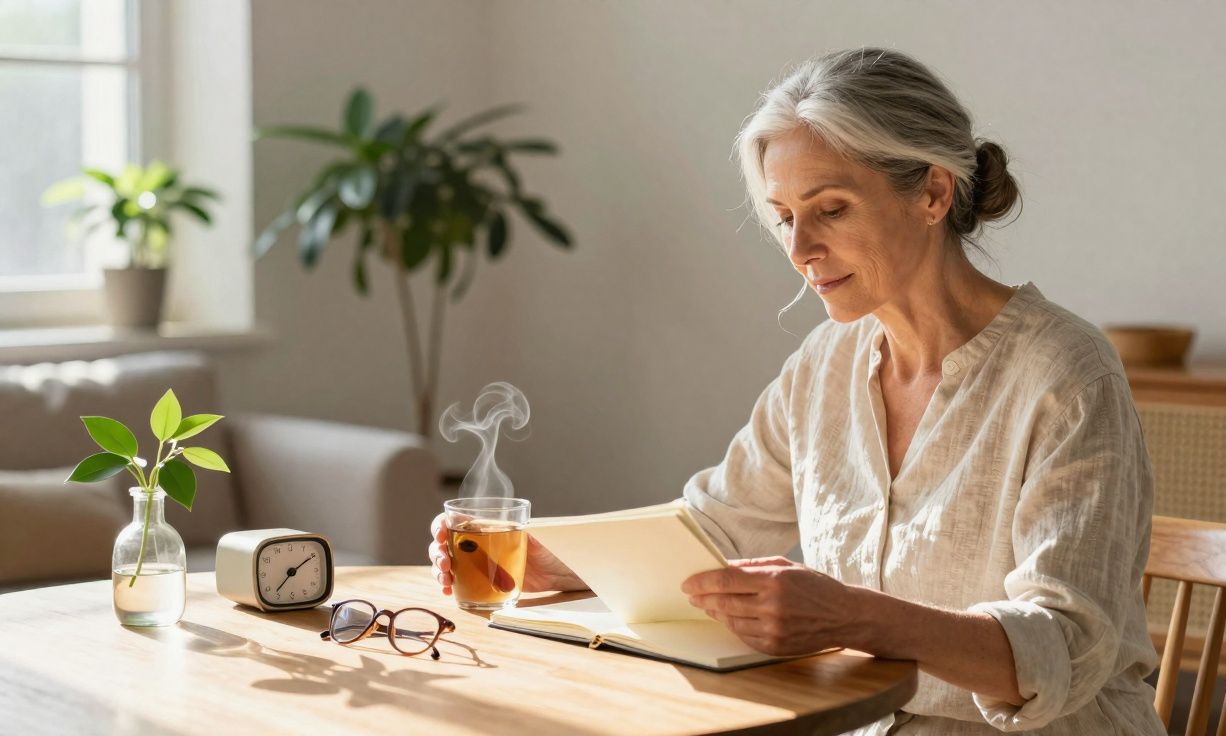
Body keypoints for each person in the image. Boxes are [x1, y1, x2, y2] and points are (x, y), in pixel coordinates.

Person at [431, 47, 1165, 735]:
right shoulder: (826, 366)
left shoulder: (1065, 374)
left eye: (832, 209)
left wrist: (853, 617)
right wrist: (544, 557)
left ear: (934, 192)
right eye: (784, 219)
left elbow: (1063, 648)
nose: (800, 249)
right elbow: (713, 528)